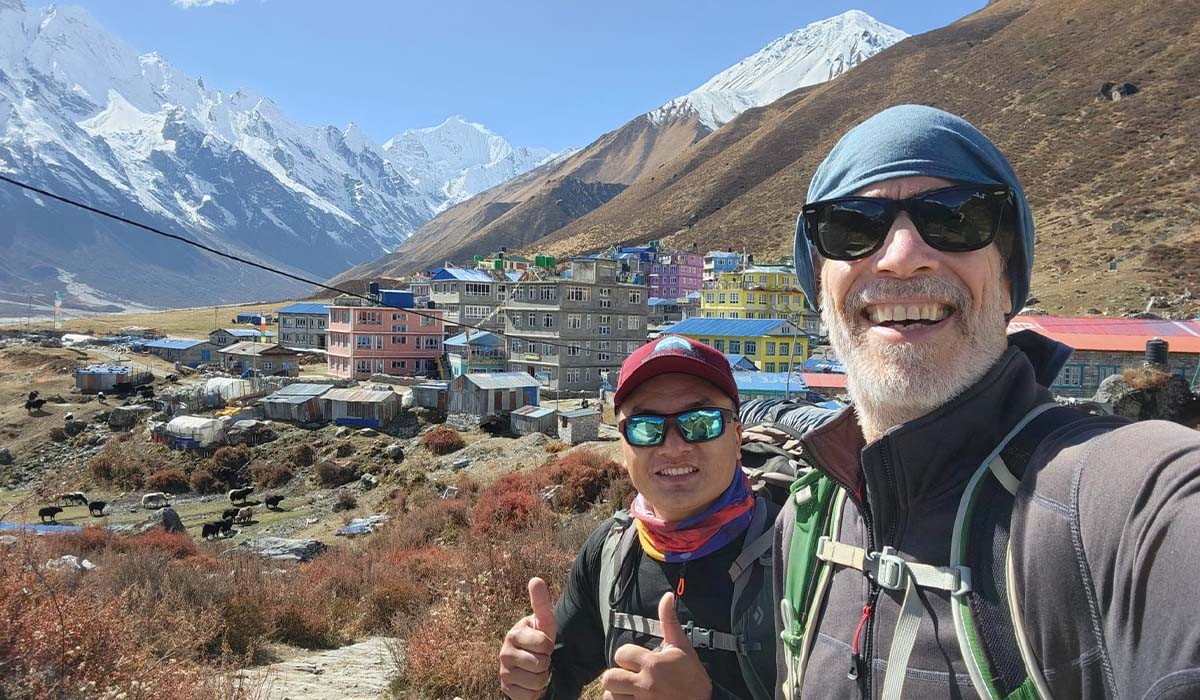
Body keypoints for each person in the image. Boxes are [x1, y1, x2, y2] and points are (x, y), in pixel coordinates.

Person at [772, 103, 1200, 700]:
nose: (900, 255)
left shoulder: (1124, 501)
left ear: (1007, 281)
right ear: (819, 286)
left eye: (954, 218)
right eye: (852, 226)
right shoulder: (806, 526)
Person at [499, 335, 779, 700]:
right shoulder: (611, 554)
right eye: (646, 427)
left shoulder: (794, 558)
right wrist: (526, 683)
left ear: (736, 436)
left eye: (700, 422)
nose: (674, 447)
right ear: (624, 444)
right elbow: (556, 682)